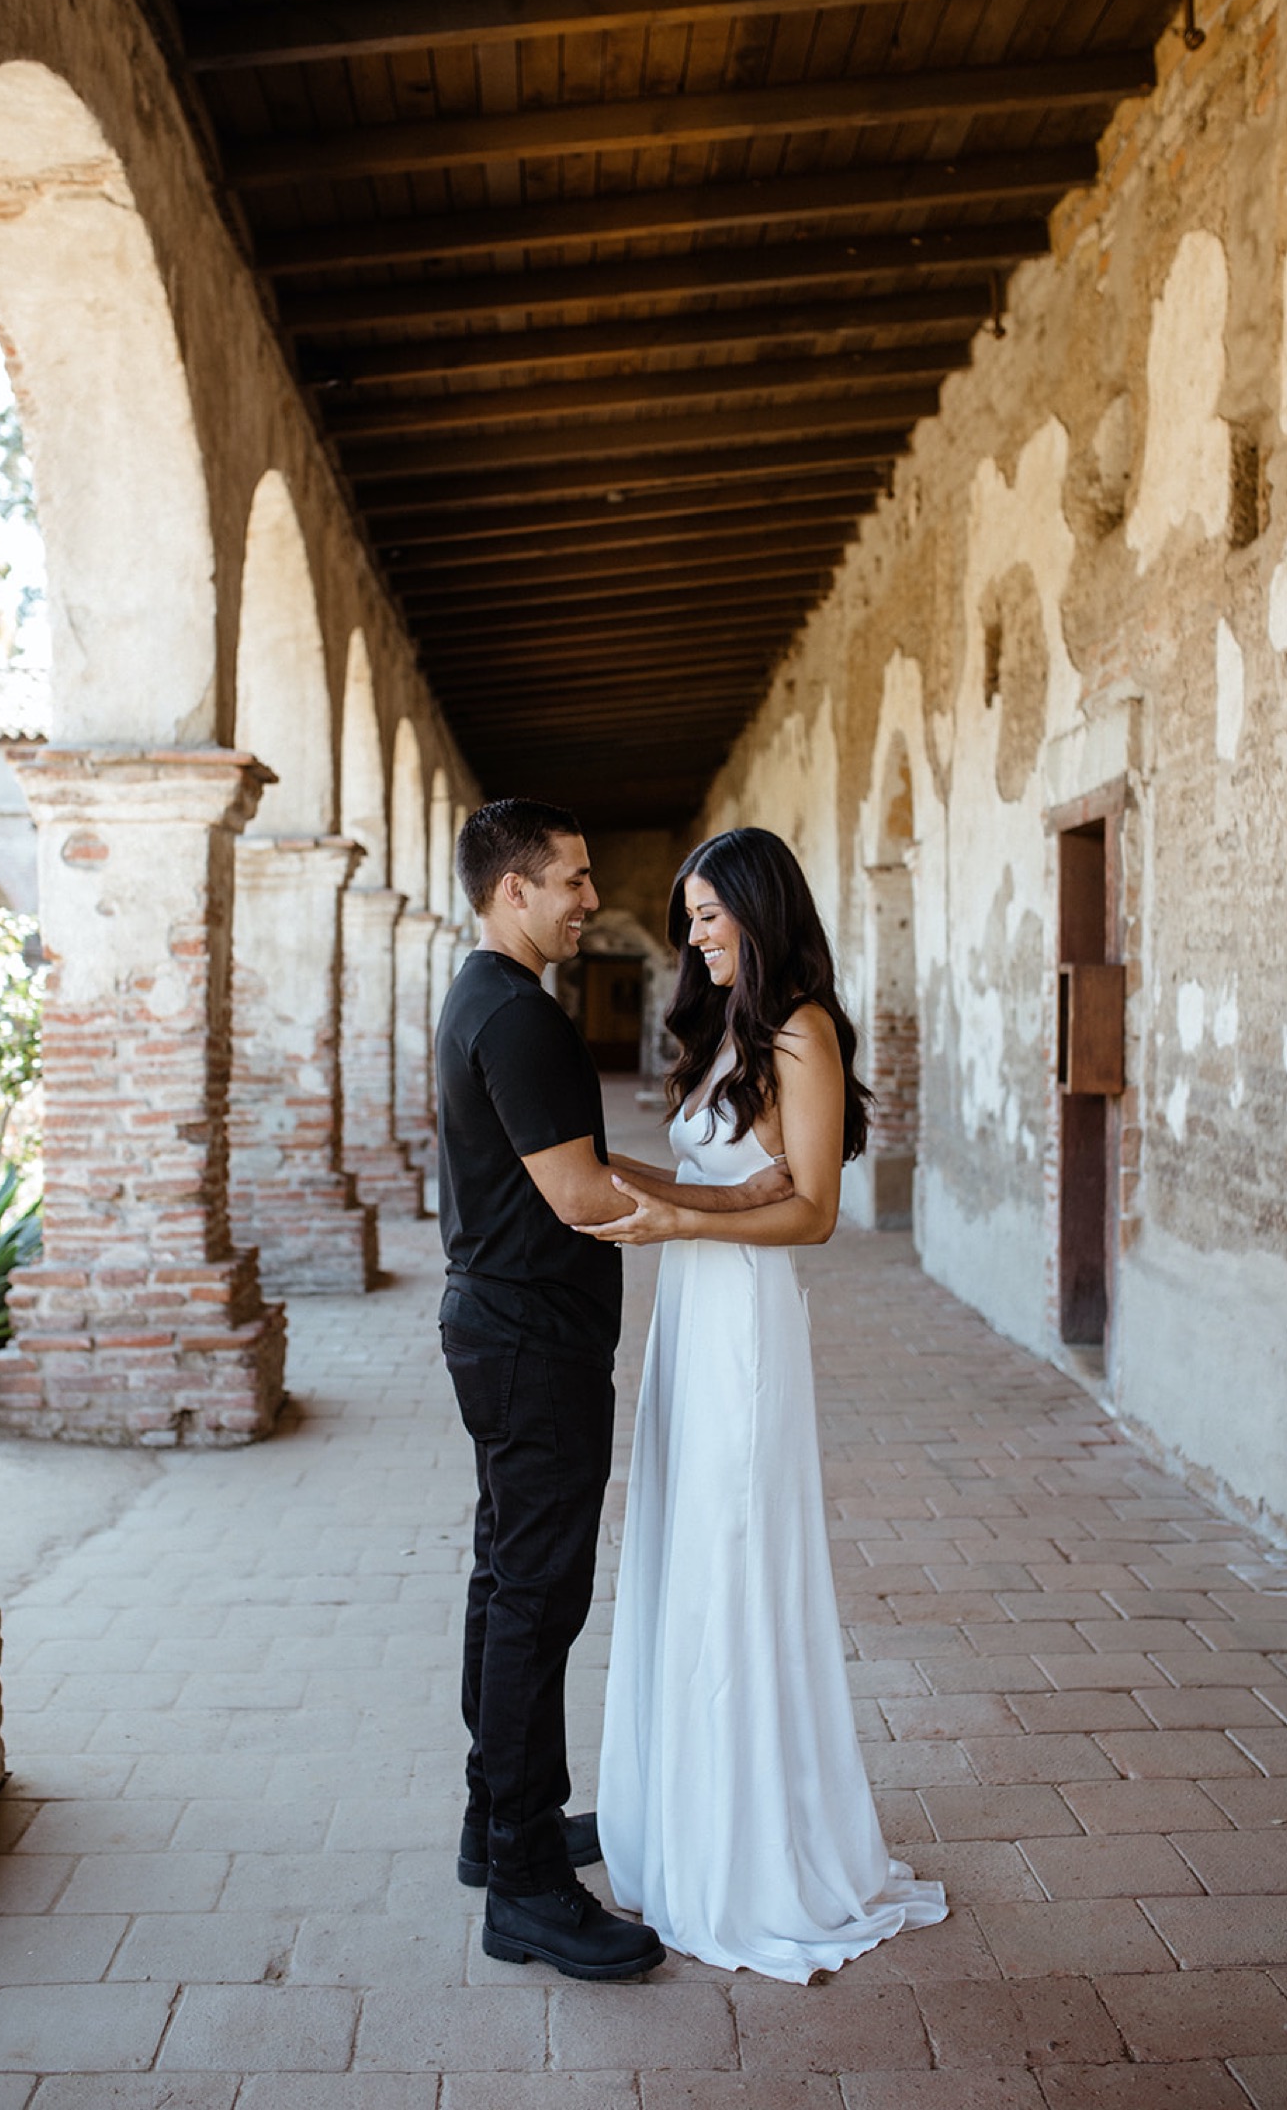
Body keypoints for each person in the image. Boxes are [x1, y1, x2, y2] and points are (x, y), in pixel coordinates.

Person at [580, 826, 948, 1983]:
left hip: (743, 1326)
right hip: (693, 1320)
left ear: (756, 908)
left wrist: (679, 1220)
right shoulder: (735, 1029)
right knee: (686, 1557)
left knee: (733, 1559)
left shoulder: (803, 1028)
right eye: (689, 918)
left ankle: (752, 1862)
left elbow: (813, 1209)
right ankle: (689, 1823)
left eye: (705, 915)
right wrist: (602, 1172)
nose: (694, 936)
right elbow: (729, 1177)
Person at [435, 799, 792, 1983]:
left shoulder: (486, 996)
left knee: (509, 1579)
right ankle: (528, 1885)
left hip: (507, 1330)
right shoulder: (522, 1016)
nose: (593, 898)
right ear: (513, 891)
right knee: (537, 1597)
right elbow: (585, 1201)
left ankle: (503, 1829)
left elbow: (585, 1169)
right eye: (573, 880)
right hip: (529, 1342)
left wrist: (728, 1198)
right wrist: (722, 1217)